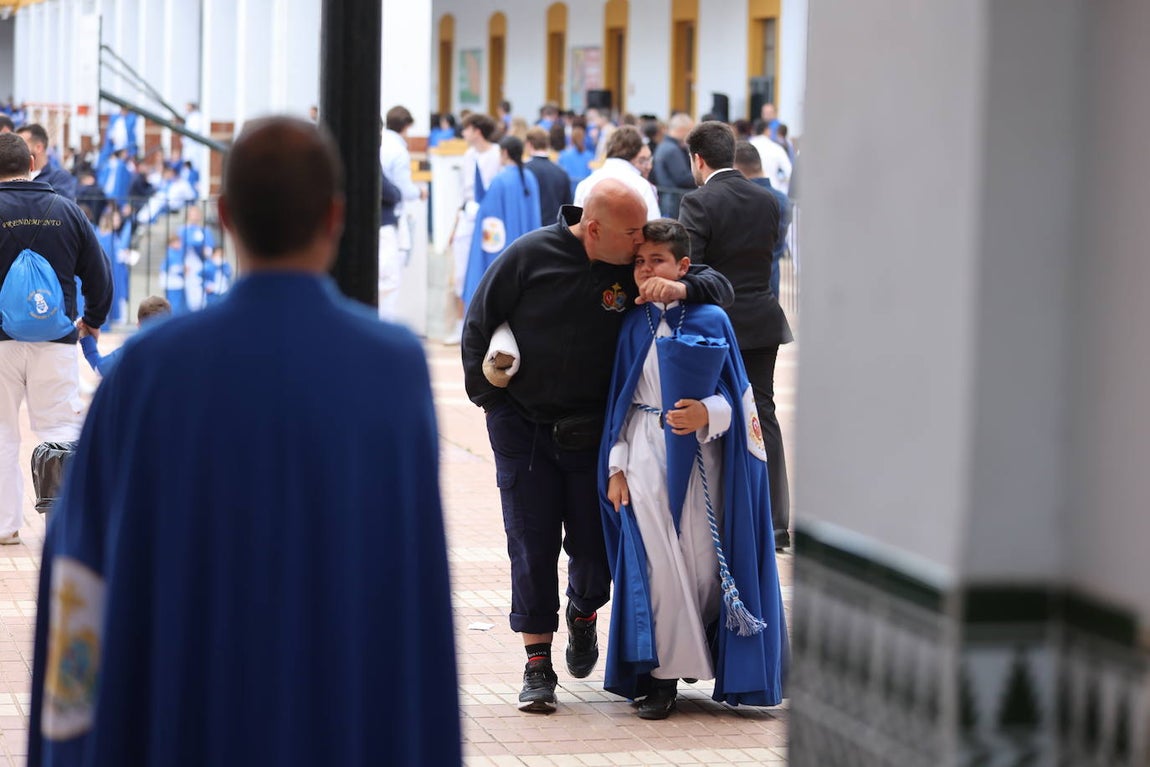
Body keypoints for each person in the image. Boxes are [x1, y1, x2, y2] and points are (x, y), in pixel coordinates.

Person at [29, 116, 461, 766]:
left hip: (184, 722)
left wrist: (62, 747)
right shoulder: (393, 371)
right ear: (337, 216)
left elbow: (80, 574)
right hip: (336, 723)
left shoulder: (148, 369)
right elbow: (416, 590)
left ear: (225, 215)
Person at [461, 179, 733, 714]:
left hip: (595, 436)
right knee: (530, 546)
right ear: (594, 229)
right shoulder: (529, 256)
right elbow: (478, 324)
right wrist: (490, 403)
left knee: (594, 552)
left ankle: (583, 613)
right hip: (525, 432)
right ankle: (537, 666)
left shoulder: (628, 265)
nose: (639, 244)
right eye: (631, 232)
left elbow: (715, 284)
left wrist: (681, 289)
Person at [599, 218, 786, 719]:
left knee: (702, 568)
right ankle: (659, 679)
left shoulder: (711, 318)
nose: (645, 270)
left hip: (703, 458)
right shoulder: (628, 326)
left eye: (656, 260)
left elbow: (738, 396)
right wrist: (616, 467)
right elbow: (620, 404)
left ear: (682, 267)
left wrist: (709, 414)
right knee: (658, 570)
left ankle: (706, 658)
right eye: (639, 262)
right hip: (642, 456)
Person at [679, 121, 794, 550]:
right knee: (762, 414)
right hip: (764, 320)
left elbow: (692, 267)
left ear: (698, 159)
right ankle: (776, 521)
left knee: (715, 416)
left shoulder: (698, 200)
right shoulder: (767, 200)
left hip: (718, 324)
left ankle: (726, 519)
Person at [0, 132, 111, 545]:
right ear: (32, 161)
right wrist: (93, 320)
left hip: (0, 344)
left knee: (2, 432)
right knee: (60, 429)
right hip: (57, 338)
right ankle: (62, 523)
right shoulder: (66, 210)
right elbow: (100, 274)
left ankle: (5, 524)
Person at [462, 135, 541, 307]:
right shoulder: (530, 178)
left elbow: (489, 218)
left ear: (504, 153)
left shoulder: (501, 180)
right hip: (528, 253)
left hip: (506, 255)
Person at [447, 112, 502, 343]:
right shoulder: (468, 156)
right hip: (468, 215)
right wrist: (454, 226)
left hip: (489, 218)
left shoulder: (497, 154)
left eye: (466, 128)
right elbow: (462, 194)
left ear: (477, 130)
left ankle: (486, 326)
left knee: (487, 269)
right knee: (461, 272)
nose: (463, 133)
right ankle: (461, 326)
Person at [378, 106, 426, 321]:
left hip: (379, 219)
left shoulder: (382, 145)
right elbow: (401, 191)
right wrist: (420, 192)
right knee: (389, 281)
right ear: (406, 126)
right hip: (389, 219)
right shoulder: (398, 150)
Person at [734, 141, 792, 298]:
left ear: (736, 169)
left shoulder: (740, 198)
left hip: (744, 288)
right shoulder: (782, 199)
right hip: (770, 282)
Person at [573, 126, 660, 220]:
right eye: (643, 159)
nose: (649, 166)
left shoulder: (585, 184)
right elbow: (653, 227)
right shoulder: (642, 186)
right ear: (637, 151)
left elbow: (576, 226)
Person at [78, 294, 171, 376]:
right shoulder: (180, 351)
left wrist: (86, 336)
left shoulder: (132, 350)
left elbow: (99, 368)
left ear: (138, 325)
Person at [17, 123, 77, 200]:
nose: (16, 149)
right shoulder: (12, 176)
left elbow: (60, 207)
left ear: (38, 147)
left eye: (21, 144)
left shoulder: (60, 178)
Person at [524, 127, 572, 224]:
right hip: (554, 230)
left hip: (531, 230)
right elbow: (568, 208)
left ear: (529, 144)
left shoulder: (524, 171)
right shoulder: (561, 172)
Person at [652, 113, 695, 218]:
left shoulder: (664, 145)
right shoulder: (672, 150)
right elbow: (682, 178)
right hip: (674, 202)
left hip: (668, 200)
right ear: (681, 129)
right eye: (690, 130)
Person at [749, 119, 792, 194]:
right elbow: (789, 172)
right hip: (773, 191)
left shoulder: (746, 146)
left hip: (749, 191)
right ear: (767, 130)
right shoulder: (776, 148)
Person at [557, 123, 595, 198]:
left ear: (571, 139)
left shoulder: (563, 155)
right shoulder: (591, 156)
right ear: (584, 138)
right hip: (585, 194)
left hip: (568, 194)